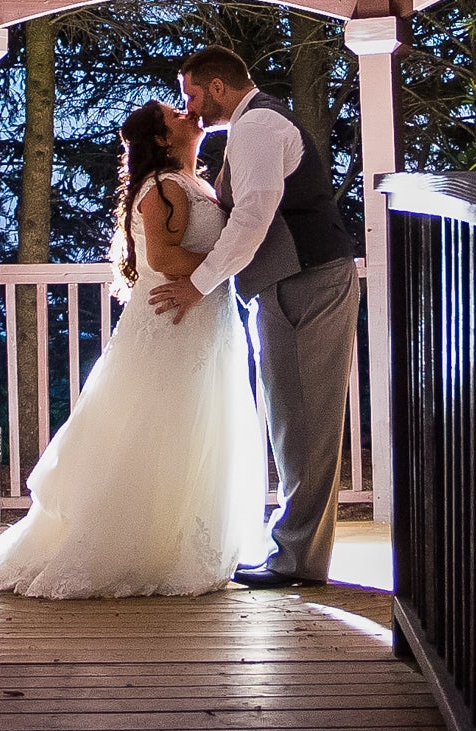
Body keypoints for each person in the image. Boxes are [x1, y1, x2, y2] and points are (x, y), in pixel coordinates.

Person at [0, 100, 270, 599]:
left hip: (203, 322)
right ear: (164, 140)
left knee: (194, 424)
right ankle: (136, 543)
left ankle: (183, 537)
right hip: (173, 323)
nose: (190, 114)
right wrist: (236, 253)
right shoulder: (165, 188)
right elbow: (166, 259)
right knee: (160, 426)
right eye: (175, 114)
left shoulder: (196, 184)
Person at [150, 43, 362, 587]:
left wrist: (198, 285)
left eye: (191, 95)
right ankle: (296, 553)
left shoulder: (260, 127)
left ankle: (297, 560)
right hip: (289, 282)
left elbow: (251, 222)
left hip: (307, 281)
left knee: (306, 421)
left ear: (218, 87)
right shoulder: (250, 130)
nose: (189, 107)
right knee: (294, 417)